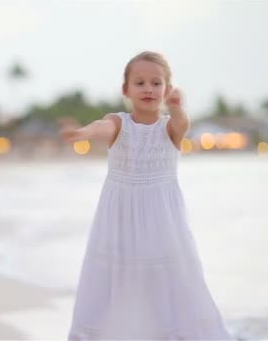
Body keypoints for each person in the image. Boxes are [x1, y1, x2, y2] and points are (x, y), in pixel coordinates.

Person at [60, 51, 233, 340]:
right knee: (115, 280)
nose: (148, 89)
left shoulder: (169, 127)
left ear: (166, 89)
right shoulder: (118, 122)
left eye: (156, 83)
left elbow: (182, 124)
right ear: (125, 90)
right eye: (139, 82)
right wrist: (83, 133)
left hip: (163, 222)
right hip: (119, 221)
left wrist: (177, 108)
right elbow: (102, 128)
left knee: (167, 279)